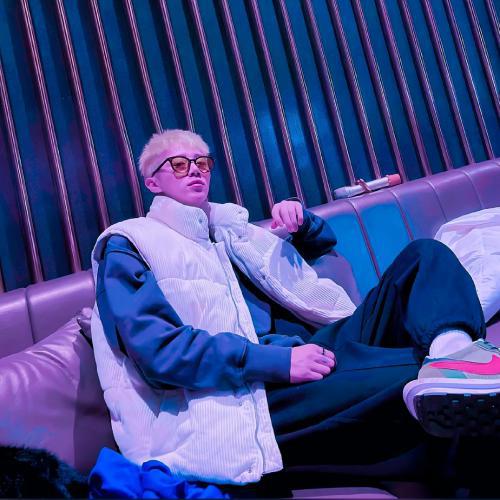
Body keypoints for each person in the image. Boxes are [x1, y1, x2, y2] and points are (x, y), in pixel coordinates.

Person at [90, 129, 500, 493]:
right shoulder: (130, 244)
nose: (195, 170)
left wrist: (303, 223)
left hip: (320, 346)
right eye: (179, 165)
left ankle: (455, 355)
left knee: (426, 255)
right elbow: (160, 353)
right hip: (251, 390)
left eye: (202, 162)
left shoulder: (231, 231)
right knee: (418, 377)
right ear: (152, 182)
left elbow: (314, 255)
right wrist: (278, 362)